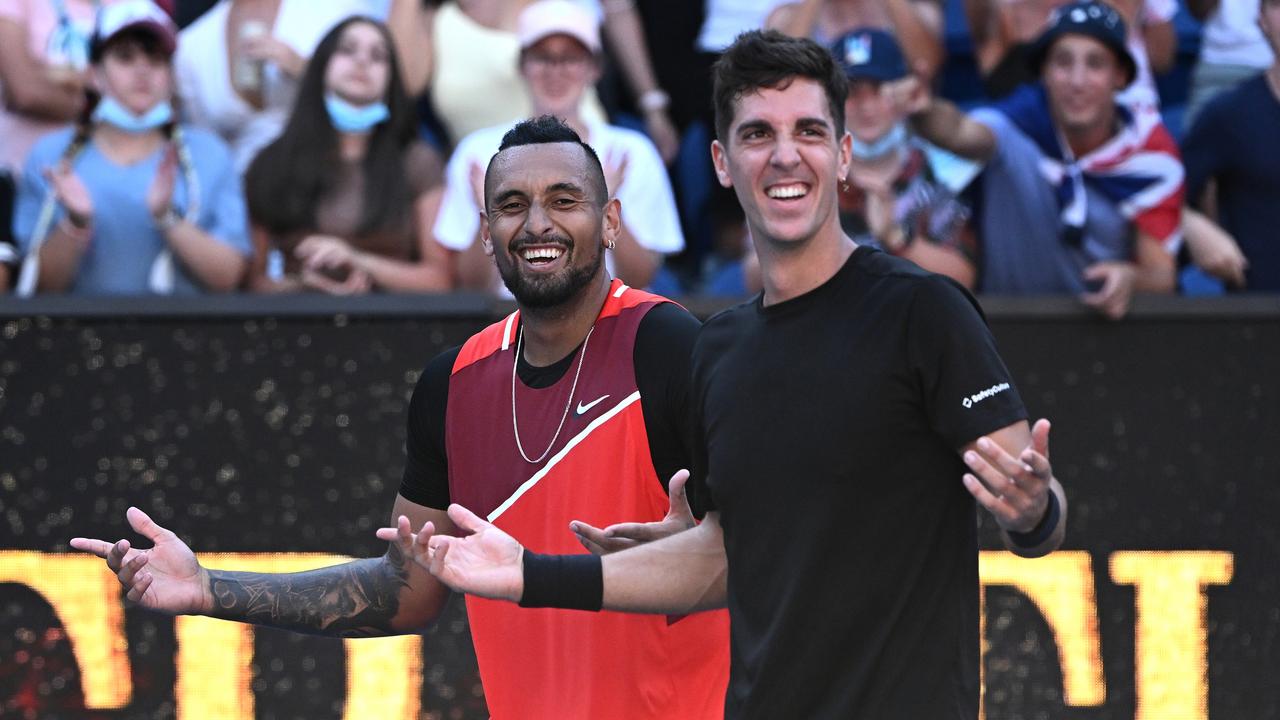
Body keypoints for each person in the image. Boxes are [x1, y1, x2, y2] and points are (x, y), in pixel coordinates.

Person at [391, 30, 1068, 720]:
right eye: (757, 133)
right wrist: (531, 575)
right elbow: (721, 558)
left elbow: (1029, 502)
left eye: (808, 130)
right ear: (721, 160)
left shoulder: (923, 311)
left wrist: (1033, 512)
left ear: (842, 155)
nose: (784, 155)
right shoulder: (718, 350)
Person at [70, 114, 730, 719]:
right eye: (511, 205)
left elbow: (755, 559)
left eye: (564, 200)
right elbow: (404, 590)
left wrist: (690, 548)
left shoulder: (668, 346)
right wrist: (209, 588)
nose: (536, 224)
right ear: (484, 230)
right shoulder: (456, 381)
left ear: (611, 220)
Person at [905, 0, 1181, 319]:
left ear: (1120, 75)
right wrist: (924, 112)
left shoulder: (1151, 154)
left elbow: (1162, 275)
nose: (1077, 81)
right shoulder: (1016, 122)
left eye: (1095, 64)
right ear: (1044, 72)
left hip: (1104, 340)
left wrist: (1132, 278)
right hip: (1001, 332)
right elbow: (960, 132)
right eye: (1063, 63)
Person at [434, 0, 683, 292]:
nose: (556, 71)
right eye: (543, 58)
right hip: (508, 324)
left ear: (594, 68)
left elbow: (640, 279)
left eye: (571, 58)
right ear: (522, 66)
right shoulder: (476, 153)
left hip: (606, 322)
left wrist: (604, 209)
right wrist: (489, 219)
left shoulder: (632, 152)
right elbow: (471, 286)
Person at [12, 0, 249, 295]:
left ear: (171, 75)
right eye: (125, 57)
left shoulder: (210, 154)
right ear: (95, 73)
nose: (142, 70)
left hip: (186, 336)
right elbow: (37, 286)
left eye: (155, 58)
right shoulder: (50, 156)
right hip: (75, 338)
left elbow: (229, 278)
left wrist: (168, 219)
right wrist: (75, 223)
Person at [243, 17, 450, 294]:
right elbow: (251, 283)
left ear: (392, 80)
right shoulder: (271, 162)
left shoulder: (418, 162)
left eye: (378, 56)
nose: (362, 61)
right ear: (320, 65)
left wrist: (357, 260)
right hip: (291, 325)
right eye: (347, 50)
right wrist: (299, 287)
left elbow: (439, 280)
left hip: (393, 324)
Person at [174, 0, 365, 173]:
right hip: (243, 198)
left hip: (328, 179)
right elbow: (205, 153)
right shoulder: (190, 45)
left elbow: (374, 96)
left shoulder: (336, 8)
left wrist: (304, 70)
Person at [1180, 0, 1280, 291]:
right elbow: (1162, 195)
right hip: (1258, 320)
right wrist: (1190, 225)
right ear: (1260, 18)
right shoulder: (1228, 115)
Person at [766, 0, 946, 80]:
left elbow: (927, 67)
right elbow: (782, 74)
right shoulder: (784, 17)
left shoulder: (922, 12)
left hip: (901, 136)